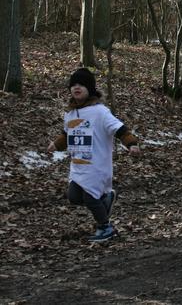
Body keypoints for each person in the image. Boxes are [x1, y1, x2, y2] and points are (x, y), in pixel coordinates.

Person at [47, 68, 140, 242]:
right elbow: (67, 135)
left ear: (90, 88)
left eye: (81, 84)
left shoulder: (100, 111)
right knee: (74, 197)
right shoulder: (70, 114)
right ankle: (106, 199)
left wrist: (131, 143)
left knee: (90, 198)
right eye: (73, 84)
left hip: (97, 165)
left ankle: (105, 228)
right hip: (78, 165)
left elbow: (119, 128)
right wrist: (55, 144)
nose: (77, 87)